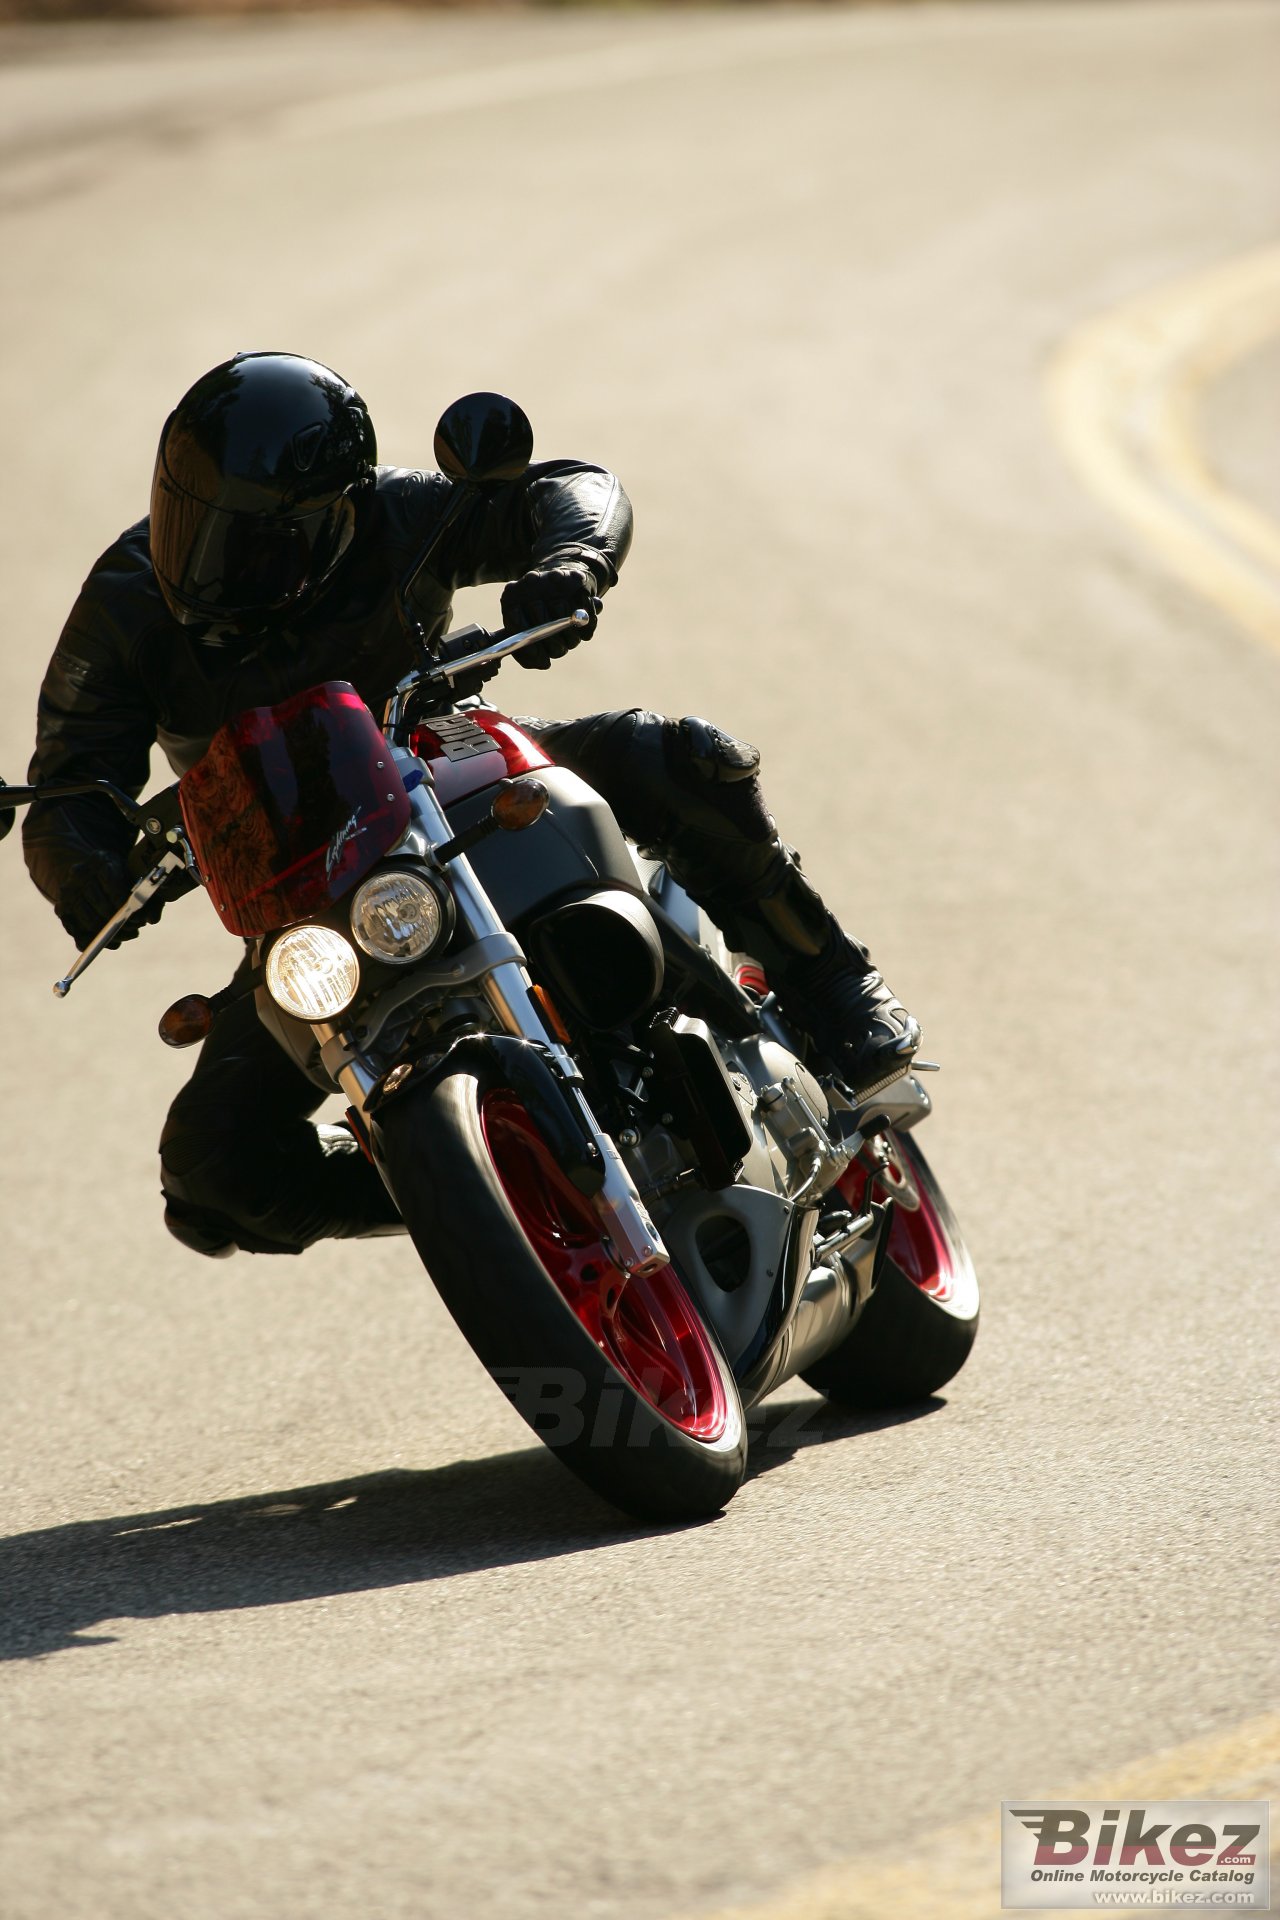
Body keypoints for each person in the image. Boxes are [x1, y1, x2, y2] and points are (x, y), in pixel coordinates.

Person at [21, 351, 919, 1258]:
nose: (210, 563)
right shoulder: (128, 601)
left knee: (677, 756)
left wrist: (574, 560)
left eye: (254, 539)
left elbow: (570, 489)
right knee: (213, 1174)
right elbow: (65, 779)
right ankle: (477, 1176)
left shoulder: (395, 515)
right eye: (192, 523)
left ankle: (836, 986)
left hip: (449, 765)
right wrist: (82, 866)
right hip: (301, 880)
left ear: (338, 510)